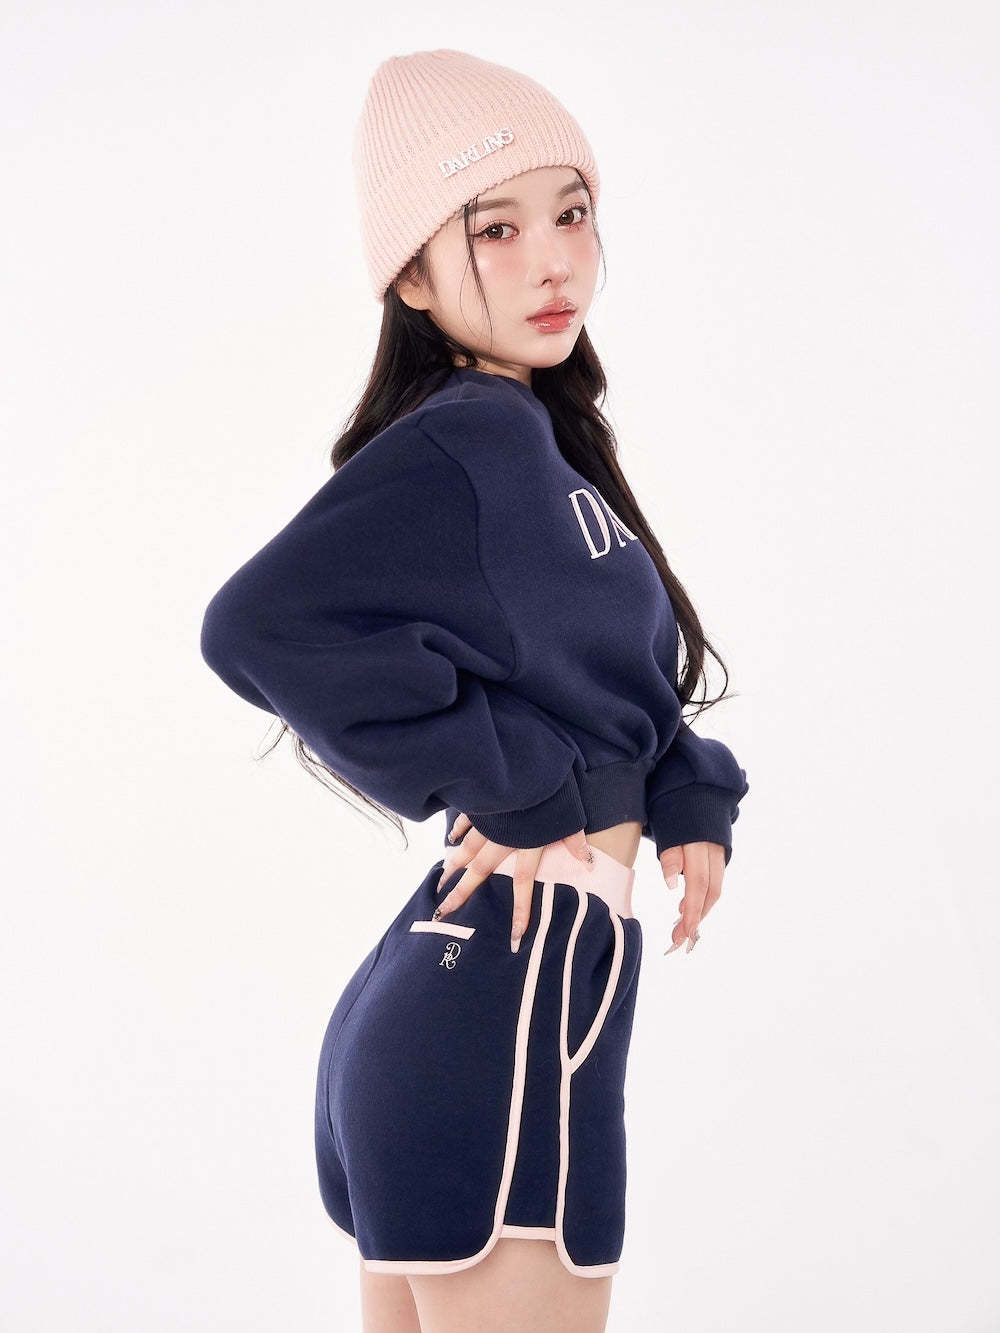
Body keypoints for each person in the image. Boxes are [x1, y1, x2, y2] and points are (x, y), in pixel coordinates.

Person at [200, 47, 750, 1333]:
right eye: (493, 229)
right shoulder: (468, 434)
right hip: (509, 1001)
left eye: (571, 214)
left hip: (475, 994)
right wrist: (515, 782)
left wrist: (689, 793)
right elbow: (255, 625)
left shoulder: (538, 444)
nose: (553, 262)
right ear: (410, 274)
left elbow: (600, 681)